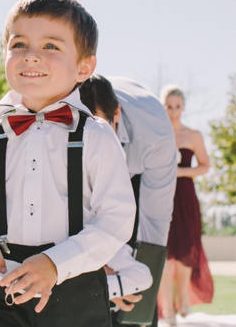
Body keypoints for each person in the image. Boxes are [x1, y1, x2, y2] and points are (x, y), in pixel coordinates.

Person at [0, 0, 136, 327]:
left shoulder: (96, 136)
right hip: (4, 285)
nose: (31, 56)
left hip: (75, 286)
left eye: (51, 46)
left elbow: (116, 218)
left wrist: (55, 263)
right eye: (19, 44)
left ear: (84, 66)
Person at [79, 75, 177, 323]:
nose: (97, 143)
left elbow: (156, 217)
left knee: (137, 308)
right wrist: (97, 277)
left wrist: (137, 294)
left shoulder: (156, 137)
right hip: (82, 183)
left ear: (116, 114)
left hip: (138, 171)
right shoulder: (58, 124)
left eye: (103, 129)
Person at [158, 85, 213, 322]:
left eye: (177, 107)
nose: (173, 111)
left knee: (185, 249)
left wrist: (180, 172)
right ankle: (167, 308)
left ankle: (183, 296)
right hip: (160, 196)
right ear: (163, 106)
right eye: (169, 107)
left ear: (183, 107)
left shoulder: (193, 135)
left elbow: (204, 166)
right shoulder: (157, 133)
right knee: (165, 252)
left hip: (186, 196)